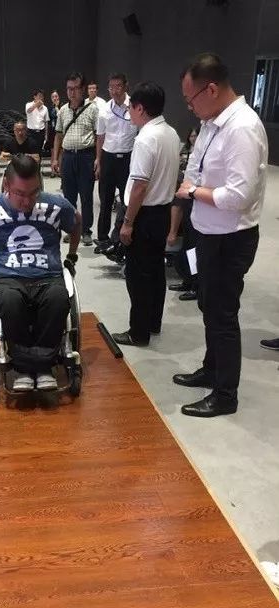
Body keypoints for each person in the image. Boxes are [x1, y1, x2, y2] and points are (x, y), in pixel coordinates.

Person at [174, 52, 268, 418]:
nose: (190, 106)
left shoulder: (242, 127)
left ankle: (226, 394)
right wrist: (193, 188)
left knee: (223, 315)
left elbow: (238, 196)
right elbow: (195, 168)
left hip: (231, 238)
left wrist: (194, 192)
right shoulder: (213, 123)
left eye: (191, 99)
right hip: (208, 232)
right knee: (208, 306)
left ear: (211, 89)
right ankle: (211, 369)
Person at [0, 155, 81, 391]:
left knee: (58, 300)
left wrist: (72, 255)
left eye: (34, 193)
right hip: (7, 277)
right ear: (6, 185)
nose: (27, 201)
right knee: (11, 302)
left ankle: (43, 368)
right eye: (20, 194)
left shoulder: (55, 205)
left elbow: (76, 221)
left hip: (48, 275)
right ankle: (24, 368)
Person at [111, 81, 180, 347]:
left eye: (131, 107)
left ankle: (138, 332)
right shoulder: (171, 133)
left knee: (138, 275)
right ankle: (153, 322)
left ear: (140, 108)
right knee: (155, 271)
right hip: (162, 212)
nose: (129, 112)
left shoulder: (145, 138)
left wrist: (128, 222)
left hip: (144, 214)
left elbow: (139, 186)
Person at [52, 72, 99, 246]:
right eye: (69, 89)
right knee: (68, 197)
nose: (72, 92)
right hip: (68, 157)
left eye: (76, 88)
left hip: (86, 156)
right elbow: (58, 135)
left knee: (86, 196)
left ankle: (86, 231)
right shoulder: (63, 110)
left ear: (83, 89)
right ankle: (72, 229)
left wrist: (98, 159)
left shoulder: (93, 109)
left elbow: (99, 136)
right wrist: (55, 159)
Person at [94, 73, 137, 252]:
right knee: (105, 200)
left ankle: (120, 239)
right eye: (111, 87)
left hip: (128, 158)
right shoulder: (104, 109)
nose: (114, 90)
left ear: (126, 86)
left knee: (127, 201)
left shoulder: (135, 106)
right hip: (108, 158)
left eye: (118, 86)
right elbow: (100, 137)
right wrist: (98, 160)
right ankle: (103, 239)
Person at [167, 127, 200, 300]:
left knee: (195, 250)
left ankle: (196, 286)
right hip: (188, 203)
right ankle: (188, 281)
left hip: (200, 205)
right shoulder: (189, 153)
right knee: (187, 247)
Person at [25, 89, 49, 155]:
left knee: (39, 153)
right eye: (39, 96)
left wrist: (46, 135)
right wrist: (36, 104)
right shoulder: (29, 104)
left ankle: (39, 162)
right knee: (31, 153)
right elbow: (28, 111)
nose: (41, 98)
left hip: (41, 133)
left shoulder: (45, 108)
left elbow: (46, 122)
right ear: (34, 97)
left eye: (42, 96)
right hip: (31, 133)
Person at [47, 90, 61, 158]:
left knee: (60, 151)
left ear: (59, 97)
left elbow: (61, 116)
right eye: (53, 97)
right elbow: (48, 121)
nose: (55, 98)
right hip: (52, 131)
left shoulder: (63, 107)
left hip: (60, 132)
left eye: (56, 96)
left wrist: (56, 107)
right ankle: (53, 165)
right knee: (52, 151)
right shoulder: (49, 108)